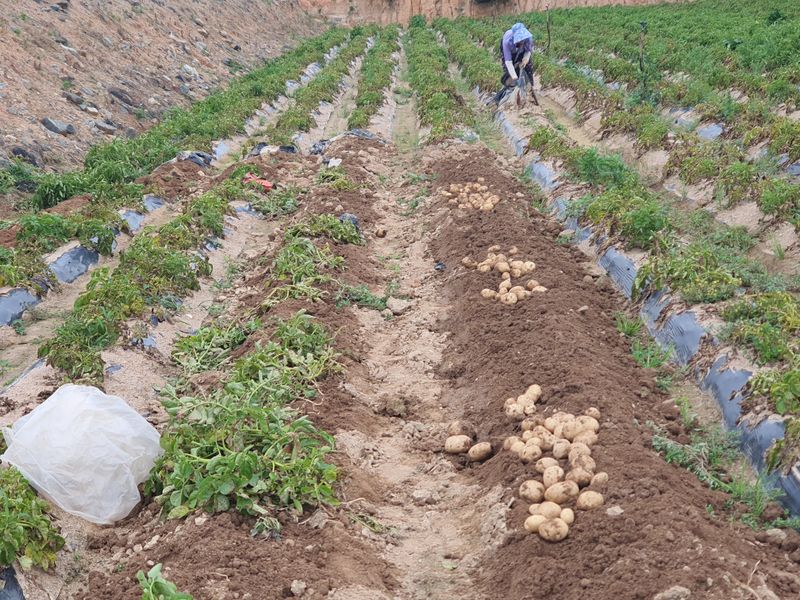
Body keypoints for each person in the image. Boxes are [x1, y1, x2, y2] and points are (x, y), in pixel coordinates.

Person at [495, 22, 536, 103]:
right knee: (511, 73)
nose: (521, 41)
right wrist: (514, 77)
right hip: (510, 52)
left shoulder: (528, 38)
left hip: (522, 51)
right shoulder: (507, 42)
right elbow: (508, 62)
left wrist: (525, 59)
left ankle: (529, 91)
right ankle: (511, 93)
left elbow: (528, 51)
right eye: (520, 40)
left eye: (522, 40)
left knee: (528, 68)